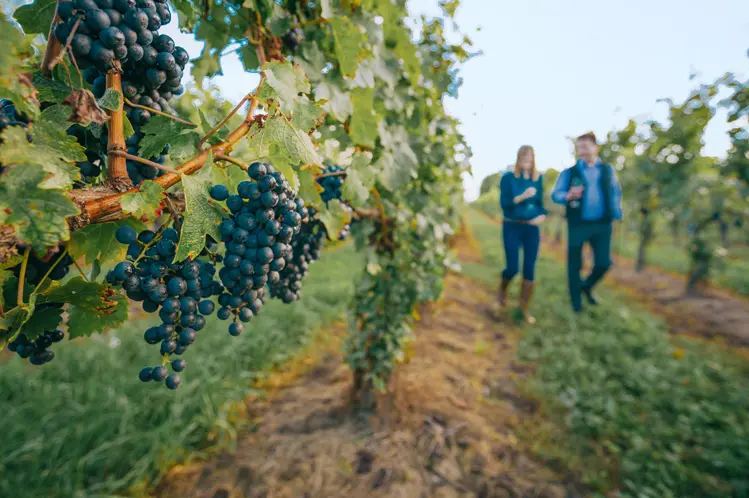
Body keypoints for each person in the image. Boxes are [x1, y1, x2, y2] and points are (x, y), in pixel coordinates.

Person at [551, 132, 623, 312]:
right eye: (579, 147)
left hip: (602, 224)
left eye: (584, 146)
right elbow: (556, 194)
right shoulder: (570, 172)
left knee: (604, 263)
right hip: (578, 224)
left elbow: (615, 192)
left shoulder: (607, 170)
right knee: (574, 263)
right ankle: (576, 303)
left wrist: (616, 213)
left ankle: (587, 286)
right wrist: (567, 195)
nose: (581, 150)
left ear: (595, 147)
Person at [497, 145, 546, 323]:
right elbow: (505, 204)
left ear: (533, 159)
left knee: (529, 269)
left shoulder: (538, 179)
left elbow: (541, 204)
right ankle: (502, 291)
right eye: (524, 156)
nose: (527, 159)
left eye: (530, 156)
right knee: (512, 267)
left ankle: (522, 309)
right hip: (512, 226)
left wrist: (542, 215)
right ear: (519, 158)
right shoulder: (509, 178)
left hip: (531, 228)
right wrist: (522, 196)